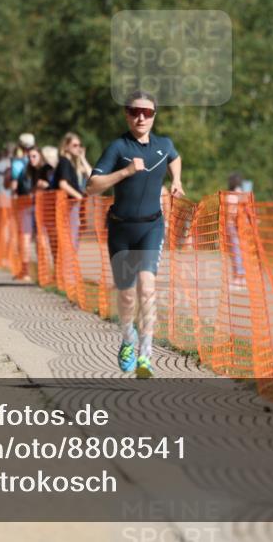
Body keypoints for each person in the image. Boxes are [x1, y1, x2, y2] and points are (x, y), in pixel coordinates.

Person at [87, 91, 183, 379]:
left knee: (148, 287)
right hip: (120, 229)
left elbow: (174, 158)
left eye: (147, 112)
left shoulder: (163, 144)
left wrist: (177, 180)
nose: (140, 117)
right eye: (134, 111)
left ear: (154, 116)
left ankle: (146, 354)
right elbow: (91, 186)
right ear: (126, 114)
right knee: (127, 296)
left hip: (152, 226)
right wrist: (125, 172)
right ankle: (128, 340)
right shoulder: (118, 147)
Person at [12, 146, 47, 281]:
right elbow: (21, 190)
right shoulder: (25, 172)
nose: (31, 159)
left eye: (34, 156)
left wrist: (43, 185)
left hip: (42, 208)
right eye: (29, 156)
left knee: (41, 239)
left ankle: (42, 272)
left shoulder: (45, 169)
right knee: (25, 239)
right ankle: (25, 270)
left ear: (40, 157)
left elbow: (48, 185)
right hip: (26, 207)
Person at [54, 132, 92, 251]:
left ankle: (70, 267)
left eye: (79, 145)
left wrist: (82, 158)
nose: (78, 148)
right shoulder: (64, 161)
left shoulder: (72, 163)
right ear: (66, 146)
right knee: (70, 239)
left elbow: (91, 175)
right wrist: (78, 197)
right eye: (75, 145)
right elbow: (63, 184)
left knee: (73, 238)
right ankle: (69, 268)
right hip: (68, 206)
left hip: (73, 206)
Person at [225, 172, 248, 287]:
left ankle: (237, 277)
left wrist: (227, 224)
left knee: (235, 252)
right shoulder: (243, 194)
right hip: (242, 225)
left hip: (233, 225)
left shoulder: (231, 195)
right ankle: (242, 277)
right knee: (241, 251)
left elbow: (230, 212)